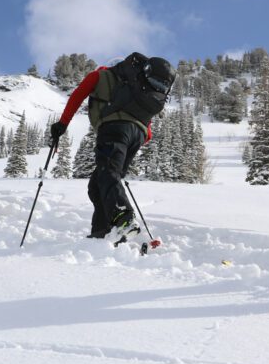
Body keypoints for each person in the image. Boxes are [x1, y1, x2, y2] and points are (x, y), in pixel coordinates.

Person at [51, 53, 176, 240]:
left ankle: (124, 217)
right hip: (137, 136)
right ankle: (103, 233)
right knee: (97, 185)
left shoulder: (100, 75)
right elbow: (148, 134)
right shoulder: (137, 87)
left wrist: (62, 124)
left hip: (114, 129)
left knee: (108, 173)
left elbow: (77, 96)